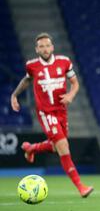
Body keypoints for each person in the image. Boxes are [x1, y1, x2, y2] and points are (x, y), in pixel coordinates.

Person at [10, 32, 94, 197]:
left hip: (61, 111)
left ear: (52, 47)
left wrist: (70, 95)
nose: (45, 49)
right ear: (37, 49)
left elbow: (75, 83)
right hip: (45, 112)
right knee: (63, 146)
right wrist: (14, 95)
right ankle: (81, 187)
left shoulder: (64, 62)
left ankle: (31, 148)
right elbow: (27, 80)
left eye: (48, 45)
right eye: (41, 46)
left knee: (56, 146)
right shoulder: (32, 65)